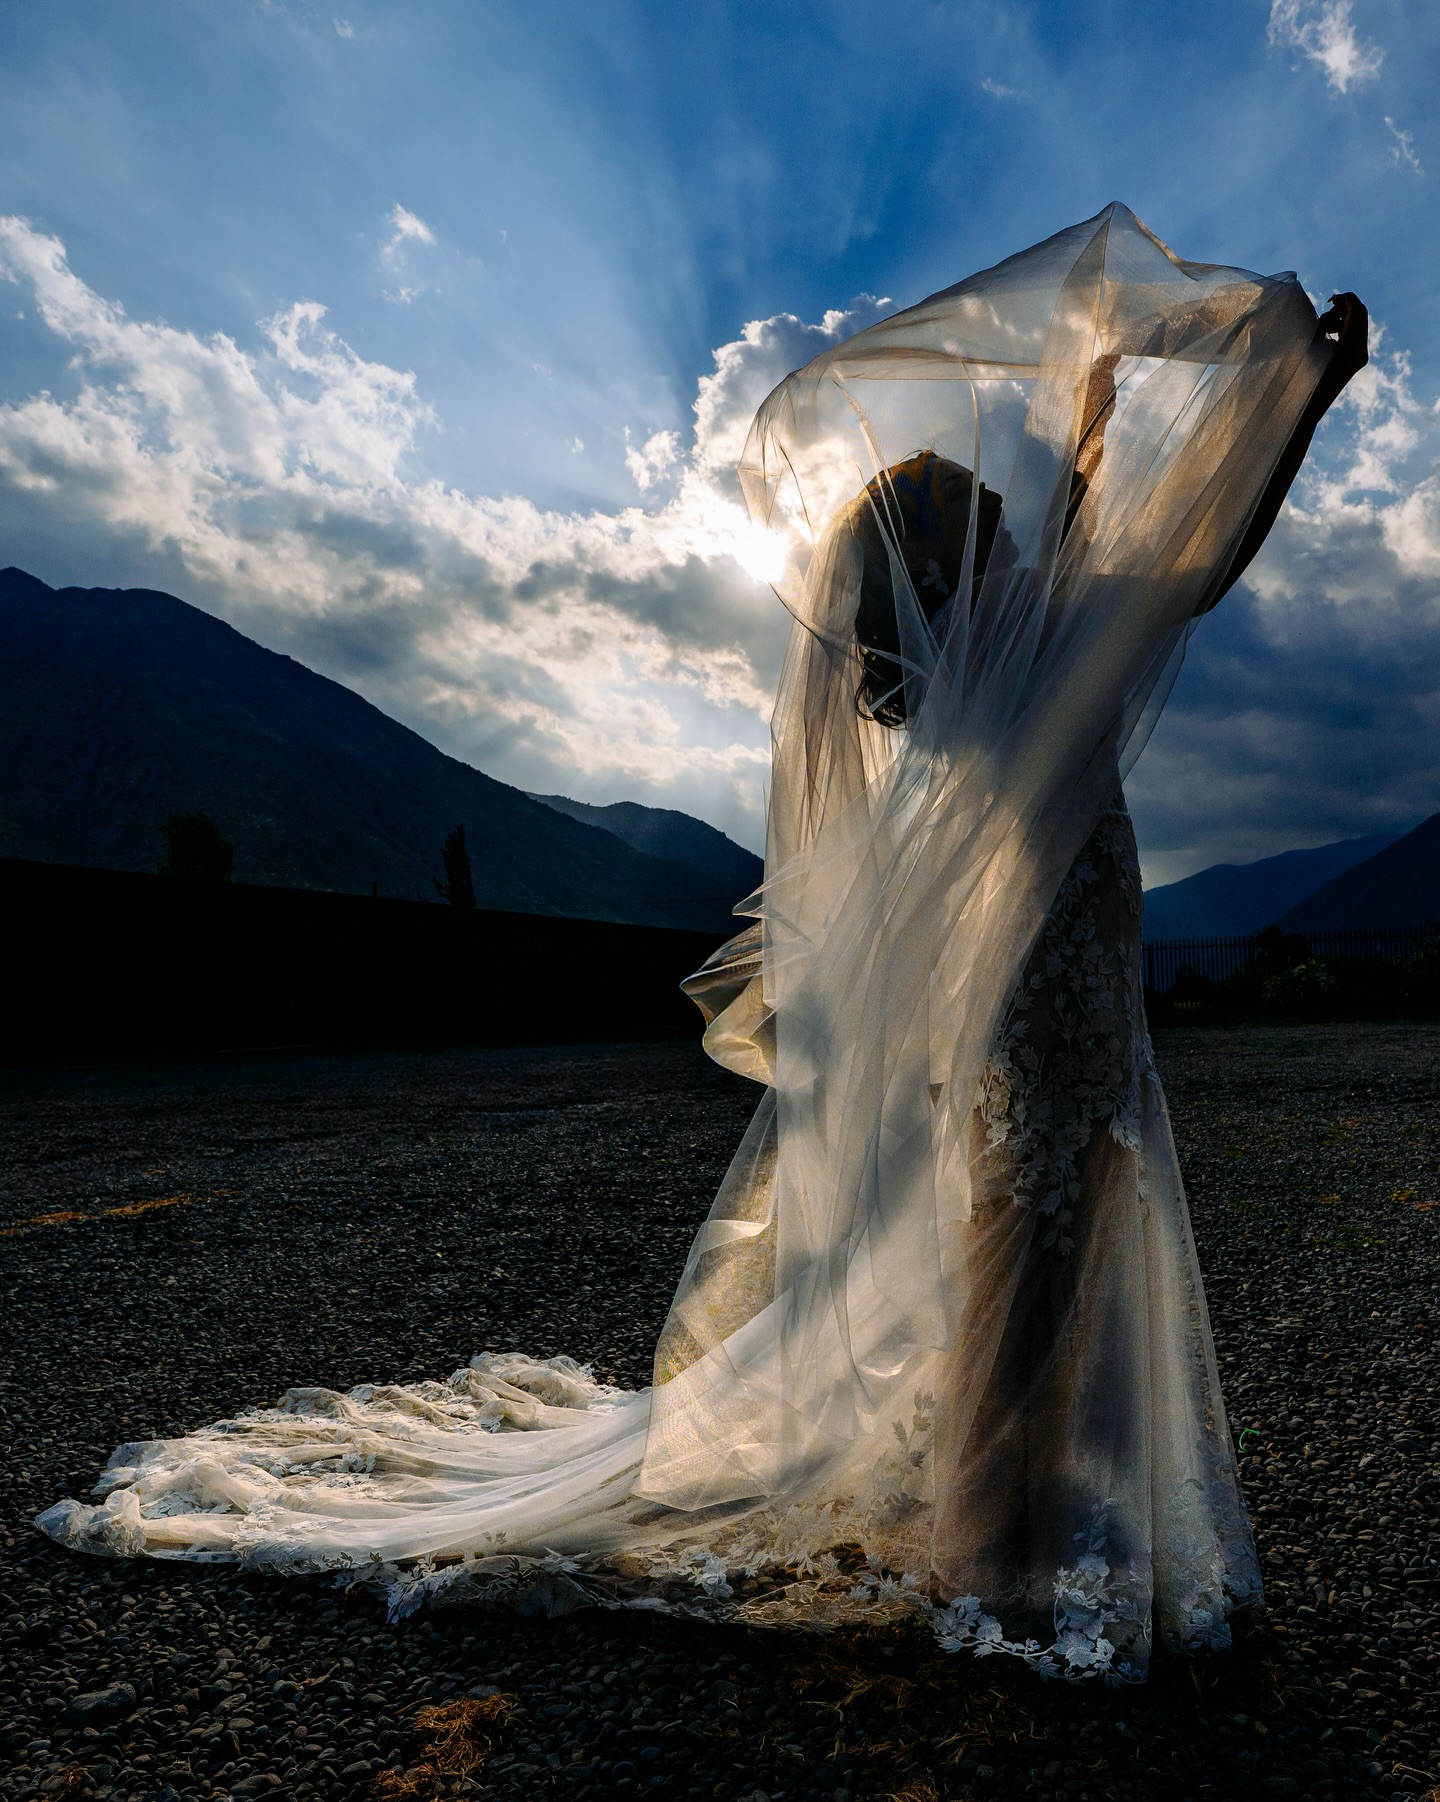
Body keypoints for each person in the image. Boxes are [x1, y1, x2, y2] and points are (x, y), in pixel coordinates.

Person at [39, 209, 1367, 1684]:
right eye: (980, 515)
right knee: (1039, 1239)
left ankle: (1012, 1502)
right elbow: (1196, 559)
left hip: (1041, 990)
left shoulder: (1012, 650)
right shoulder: (1035, 649)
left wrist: (1104, 394)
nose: (1007, 519)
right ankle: (992, 1537)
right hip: (1049, 997)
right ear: (959, 569)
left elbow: (1098, 529)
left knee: (1040, 1232)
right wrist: (1303, 403)